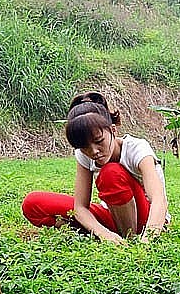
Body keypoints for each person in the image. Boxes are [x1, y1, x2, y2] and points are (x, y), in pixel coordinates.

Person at [22, 92, 168, 245]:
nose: (93, 151)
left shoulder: (137, 150)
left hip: (149, 219)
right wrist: (102, 233)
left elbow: (158, 199)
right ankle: (112, 237)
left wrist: (147, 240)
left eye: (99, 141)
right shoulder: (84, 155)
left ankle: (129, 240)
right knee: (33, 203)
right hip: (112, 216)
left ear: (113, 130)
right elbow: (80, 207)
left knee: (111, 172)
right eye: (84, 146)